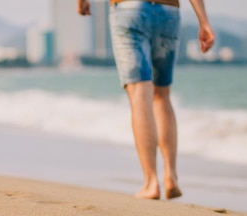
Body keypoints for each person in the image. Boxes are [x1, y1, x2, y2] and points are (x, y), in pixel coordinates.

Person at [78, 0, 214, 199]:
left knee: (140, 92)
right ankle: (170, 176)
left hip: (129, 10)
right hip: (168, 12)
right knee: (162, 95)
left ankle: (151, 183)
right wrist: (204, 21)